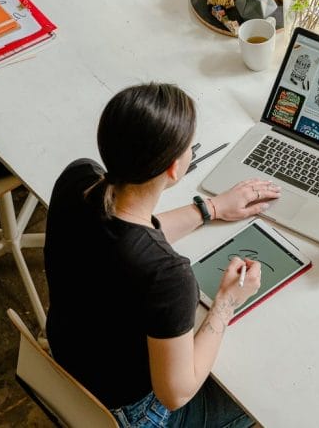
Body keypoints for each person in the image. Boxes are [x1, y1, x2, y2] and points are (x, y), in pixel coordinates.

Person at [43, 82, 281, 427]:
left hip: (67, 372)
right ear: (173, 168)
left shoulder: (78, 179)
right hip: (130, 414)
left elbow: (126, 234)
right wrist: (227, 302)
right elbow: (176, 393)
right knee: (257, 398)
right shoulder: (168, 276)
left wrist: (210, 208)